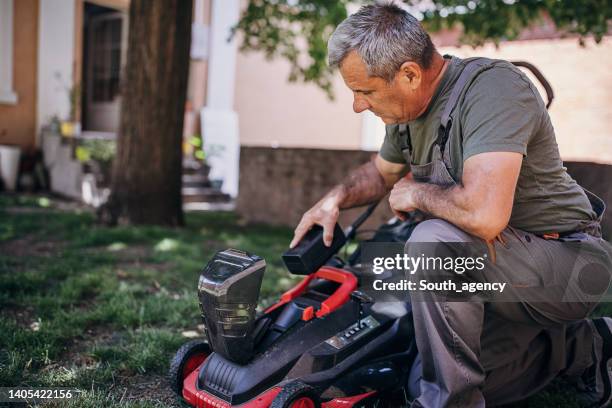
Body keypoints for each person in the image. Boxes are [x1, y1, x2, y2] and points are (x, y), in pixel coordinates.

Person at [289, 3, 612, 407]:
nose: (358, 105)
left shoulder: (494, 90)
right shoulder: (407, 113)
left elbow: (484, 216)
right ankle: (587, 344)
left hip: (568, 264)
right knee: (423, 379)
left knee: (433, 242)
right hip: (500, 271)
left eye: (365, 91)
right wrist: (334, 199)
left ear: (409, 74)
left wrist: (417, 193)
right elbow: (380, 173)